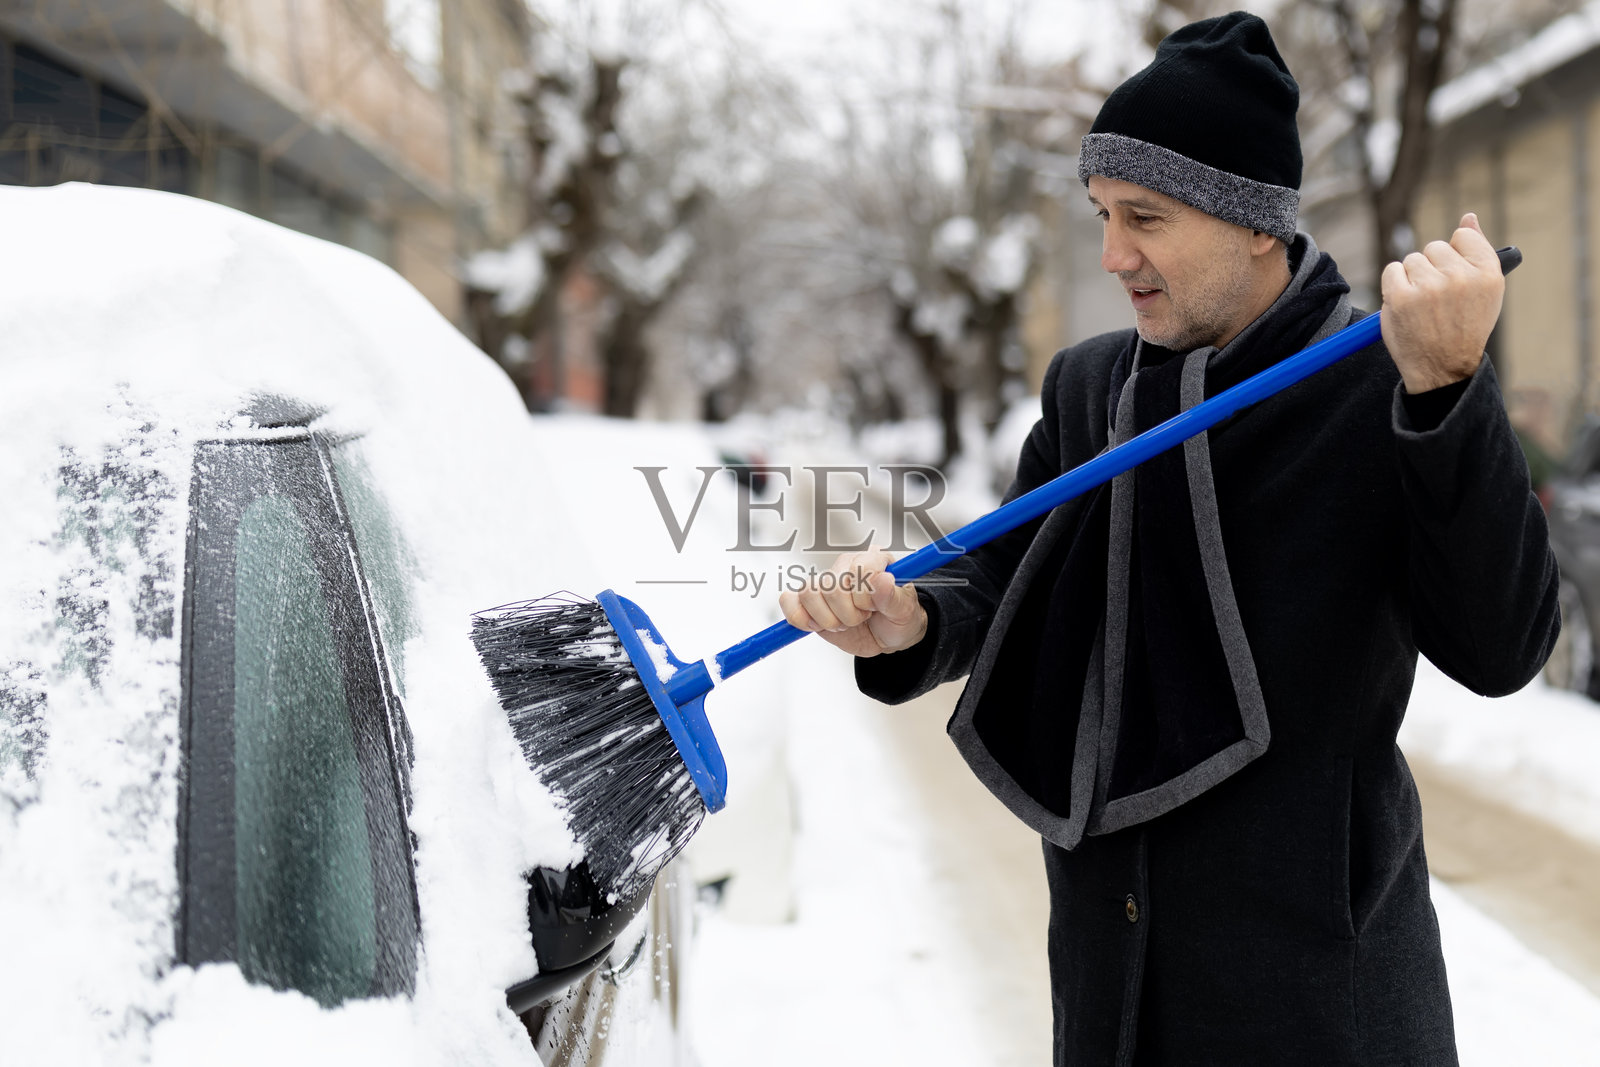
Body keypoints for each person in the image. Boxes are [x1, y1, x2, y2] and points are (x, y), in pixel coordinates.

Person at [778, 11, 1560, 1066]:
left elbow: (1502, 644)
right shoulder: (1092, 384)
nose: (1111, 254)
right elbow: (1012, 568)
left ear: (1253, 221)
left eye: (1143, 216)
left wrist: (1451, 392)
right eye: (1101, 212)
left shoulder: (1382, 378)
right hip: (1111, 985)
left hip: (1317, 996)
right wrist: (914, 617)